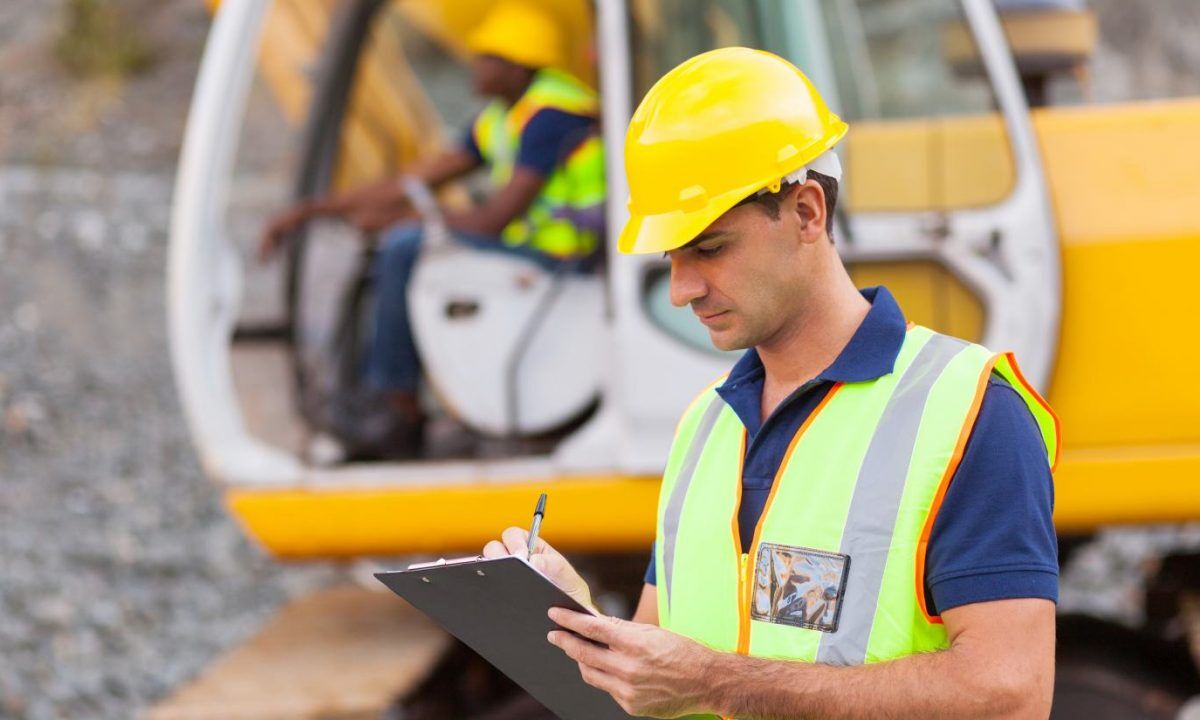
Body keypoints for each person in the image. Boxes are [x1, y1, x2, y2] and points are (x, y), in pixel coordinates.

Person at [484, 47, 1060, 718]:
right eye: (672, 256)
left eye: (710, 247)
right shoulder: (707, 424)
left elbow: (1010, 693)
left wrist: (718, 682)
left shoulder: (968, 413)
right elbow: (666, 674)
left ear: (808, 212)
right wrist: (577, 616)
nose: (681, 289)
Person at [259, 0, 605, 458]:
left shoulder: (552, 116)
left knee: (405, 245)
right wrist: (312, 210)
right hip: (536, 252)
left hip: (570, 262)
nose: (474, 65)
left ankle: (397, 401)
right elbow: (415, 181)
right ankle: (409, 394)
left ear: (518, 66)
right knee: (403, 242)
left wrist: (398, 221)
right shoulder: (505, 116)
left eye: (487, 58)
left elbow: (492, 220)